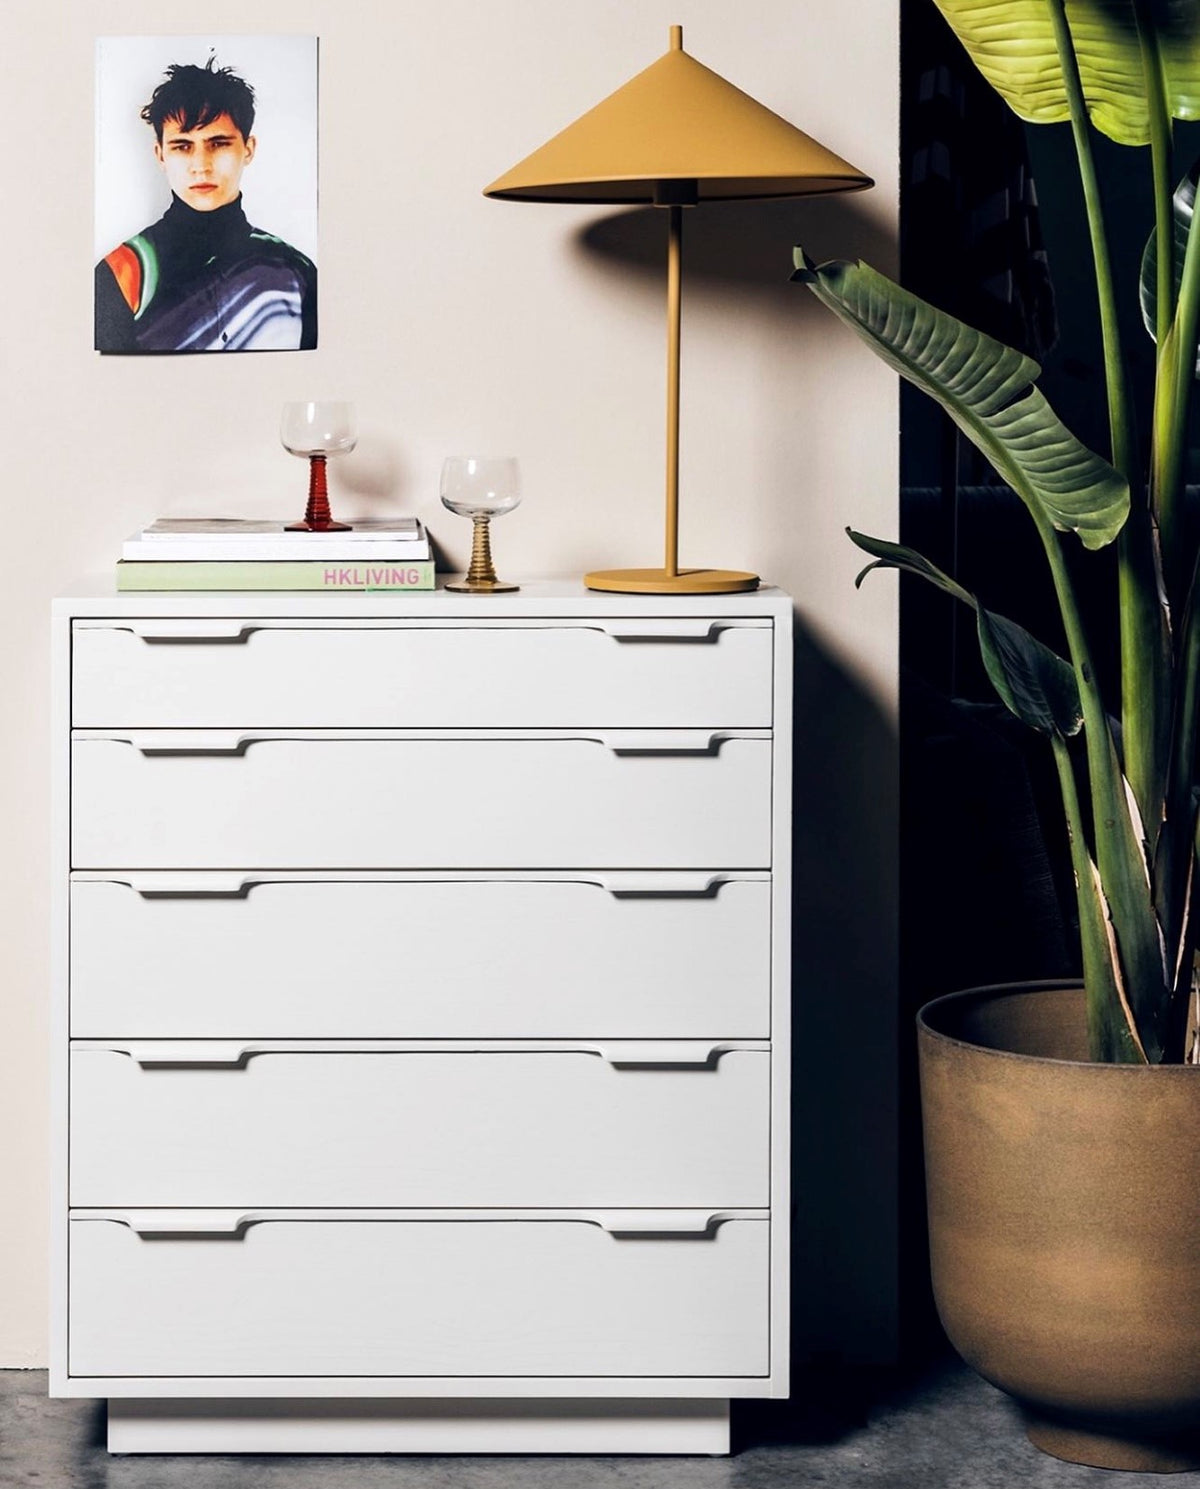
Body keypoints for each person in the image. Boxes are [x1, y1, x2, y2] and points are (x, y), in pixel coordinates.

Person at [95, 57, 317, 352]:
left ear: (248, 149)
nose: (201, 166)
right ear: (161, 155)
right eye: (183, 146)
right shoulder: (121, 274)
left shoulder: (295, 271)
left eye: (219, 143)